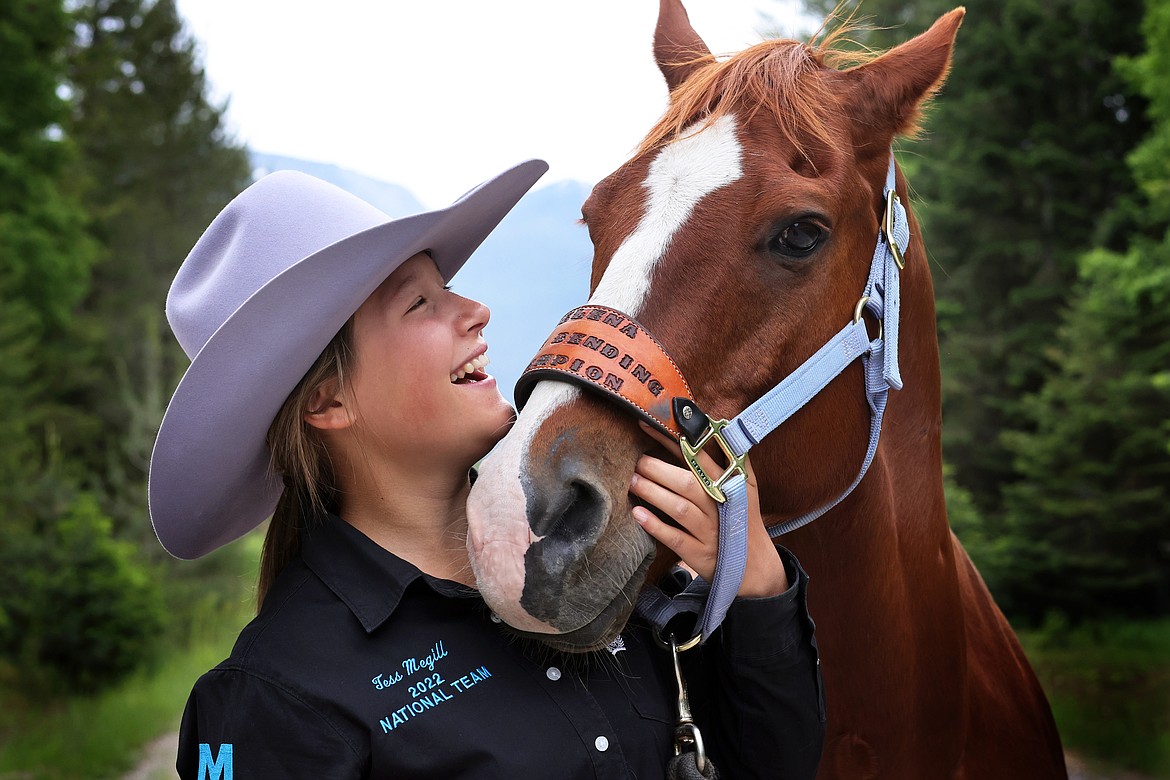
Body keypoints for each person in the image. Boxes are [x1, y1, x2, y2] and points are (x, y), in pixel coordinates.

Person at [150, 159, 825, 779]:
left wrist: (756, 581)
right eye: (419, 304)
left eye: (448, 289)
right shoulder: (269, 700)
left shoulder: (593, 552)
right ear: (326, 400)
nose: (475, 312)